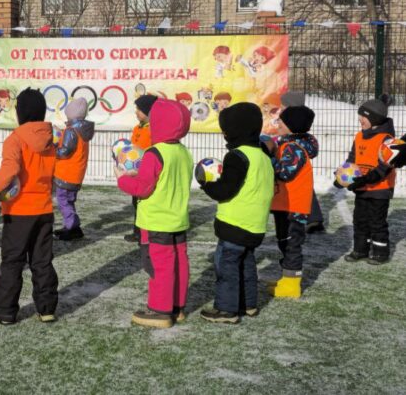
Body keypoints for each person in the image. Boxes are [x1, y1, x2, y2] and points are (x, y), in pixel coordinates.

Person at [116, 99, 193, 328]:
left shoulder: (154, 153)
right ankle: (177, 307)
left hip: (156, 221)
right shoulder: (183, 152)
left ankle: (160, 311)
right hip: (178, 220)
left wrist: (122, 179)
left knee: (159, 266)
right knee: (179, 263)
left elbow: (143, 188)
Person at [0, 88, 58, 325]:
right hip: (44, 210)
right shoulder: (49, 138)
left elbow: (10, 170)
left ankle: (5, 310)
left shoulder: (15, 138)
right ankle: (47, 308)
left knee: (13, 261)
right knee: (42, 261)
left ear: (19, 113)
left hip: (19, 212)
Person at [199, 102, 274, 324]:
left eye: (225, 129)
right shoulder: (263, 157)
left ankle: (226, 309)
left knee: (227, 266)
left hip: (235, 224)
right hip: (256, 224)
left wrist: (207, 183)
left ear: (235, 130)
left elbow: (225, 190)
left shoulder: (237, 157)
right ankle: (249, 304)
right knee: (247, 264)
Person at [267, 105, 317, 299]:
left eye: (281, 120)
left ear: (291, 125)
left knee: (291, 244)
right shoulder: (287, 145)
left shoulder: (294, 148)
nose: (278, 123)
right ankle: (286, 278)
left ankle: (292, 285)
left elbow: (286, 172)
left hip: (294, 206)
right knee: (284, 242)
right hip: (284, 204)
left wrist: (269, 161)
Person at [339, 96, 396, 265]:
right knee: (360, 219)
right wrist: (341, 175)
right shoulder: (359, 136)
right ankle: (360, 250)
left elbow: (384, 167)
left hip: (380, 188)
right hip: (362, 187)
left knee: (377, 221)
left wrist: (366, 178)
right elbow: (352, 159)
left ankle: (380, 253)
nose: (360, 120)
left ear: (375, 118)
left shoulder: (387, 139)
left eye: (364, 117)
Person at [280, 91, 325, 233]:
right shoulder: (299, 134)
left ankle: (313, 221)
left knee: (303, 194)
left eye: (283, 106)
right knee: (306, 193)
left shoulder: (297, 137)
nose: (281, 109)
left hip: (295, 174)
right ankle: (314, 220)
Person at [53, 97, 94, 241]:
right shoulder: (83, 131)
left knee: (63, 201)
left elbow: (65, 151)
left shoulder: (71, 131)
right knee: (69, 201)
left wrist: (53, 149)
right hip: (76, 174)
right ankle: (73, 226)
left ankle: (71, 227)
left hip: (66, 173)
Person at [125, 94, 156, 242]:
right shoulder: (137, 128)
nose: (136, 112)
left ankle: (147, 234)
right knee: (136, 202)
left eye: (139, 109)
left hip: (147, 172)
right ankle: (138, 231)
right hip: (135, 173)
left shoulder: (154, 130)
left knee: (146, 204)